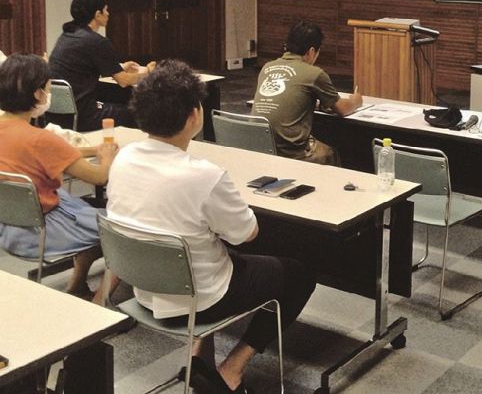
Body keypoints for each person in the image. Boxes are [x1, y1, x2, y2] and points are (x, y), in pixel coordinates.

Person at [106, 59, 315, 394]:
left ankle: (199, 354)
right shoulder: (204, 174)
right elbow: (247, 233)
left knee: (206, 249)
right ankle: (232, 369)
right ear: (194, 116)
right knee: (299, 273)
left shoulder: (123, 158)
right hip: (200, 297)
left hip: (144, 290)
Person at [0, 53, 119, 302]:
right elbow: (98, 177)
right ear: (36, 94)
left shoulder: (14, 131)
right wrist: (106, 156)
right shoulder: (41, 139)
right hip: (43, 232)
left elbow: (53, 153)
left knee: (87, 213)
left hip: (8, 229)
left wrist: (87, 150)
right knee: (124, 234)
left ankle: (76, 285)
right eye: (47, 87)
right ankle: (100, 306)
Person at [252, 21, 363, 165]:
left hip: (258, 144)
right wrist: (356, 100)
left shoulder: (267, 67)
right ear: (311, 51)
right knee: (331, 152)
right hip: (291, 151)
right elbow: (343, 108)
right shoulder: (314, 73)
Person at [49, 0, 156, 132]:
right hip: (84, 116)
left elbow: (82, 68)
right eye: (106, 10)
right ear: (97, 14)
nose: (108, 14)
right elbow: (124, 81)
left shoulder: (67, 36)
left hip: (58, 115)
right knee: (141, 112)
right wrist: (148, 72)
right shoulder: (96, 41)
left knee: (119, 96)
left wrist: (120, 67)